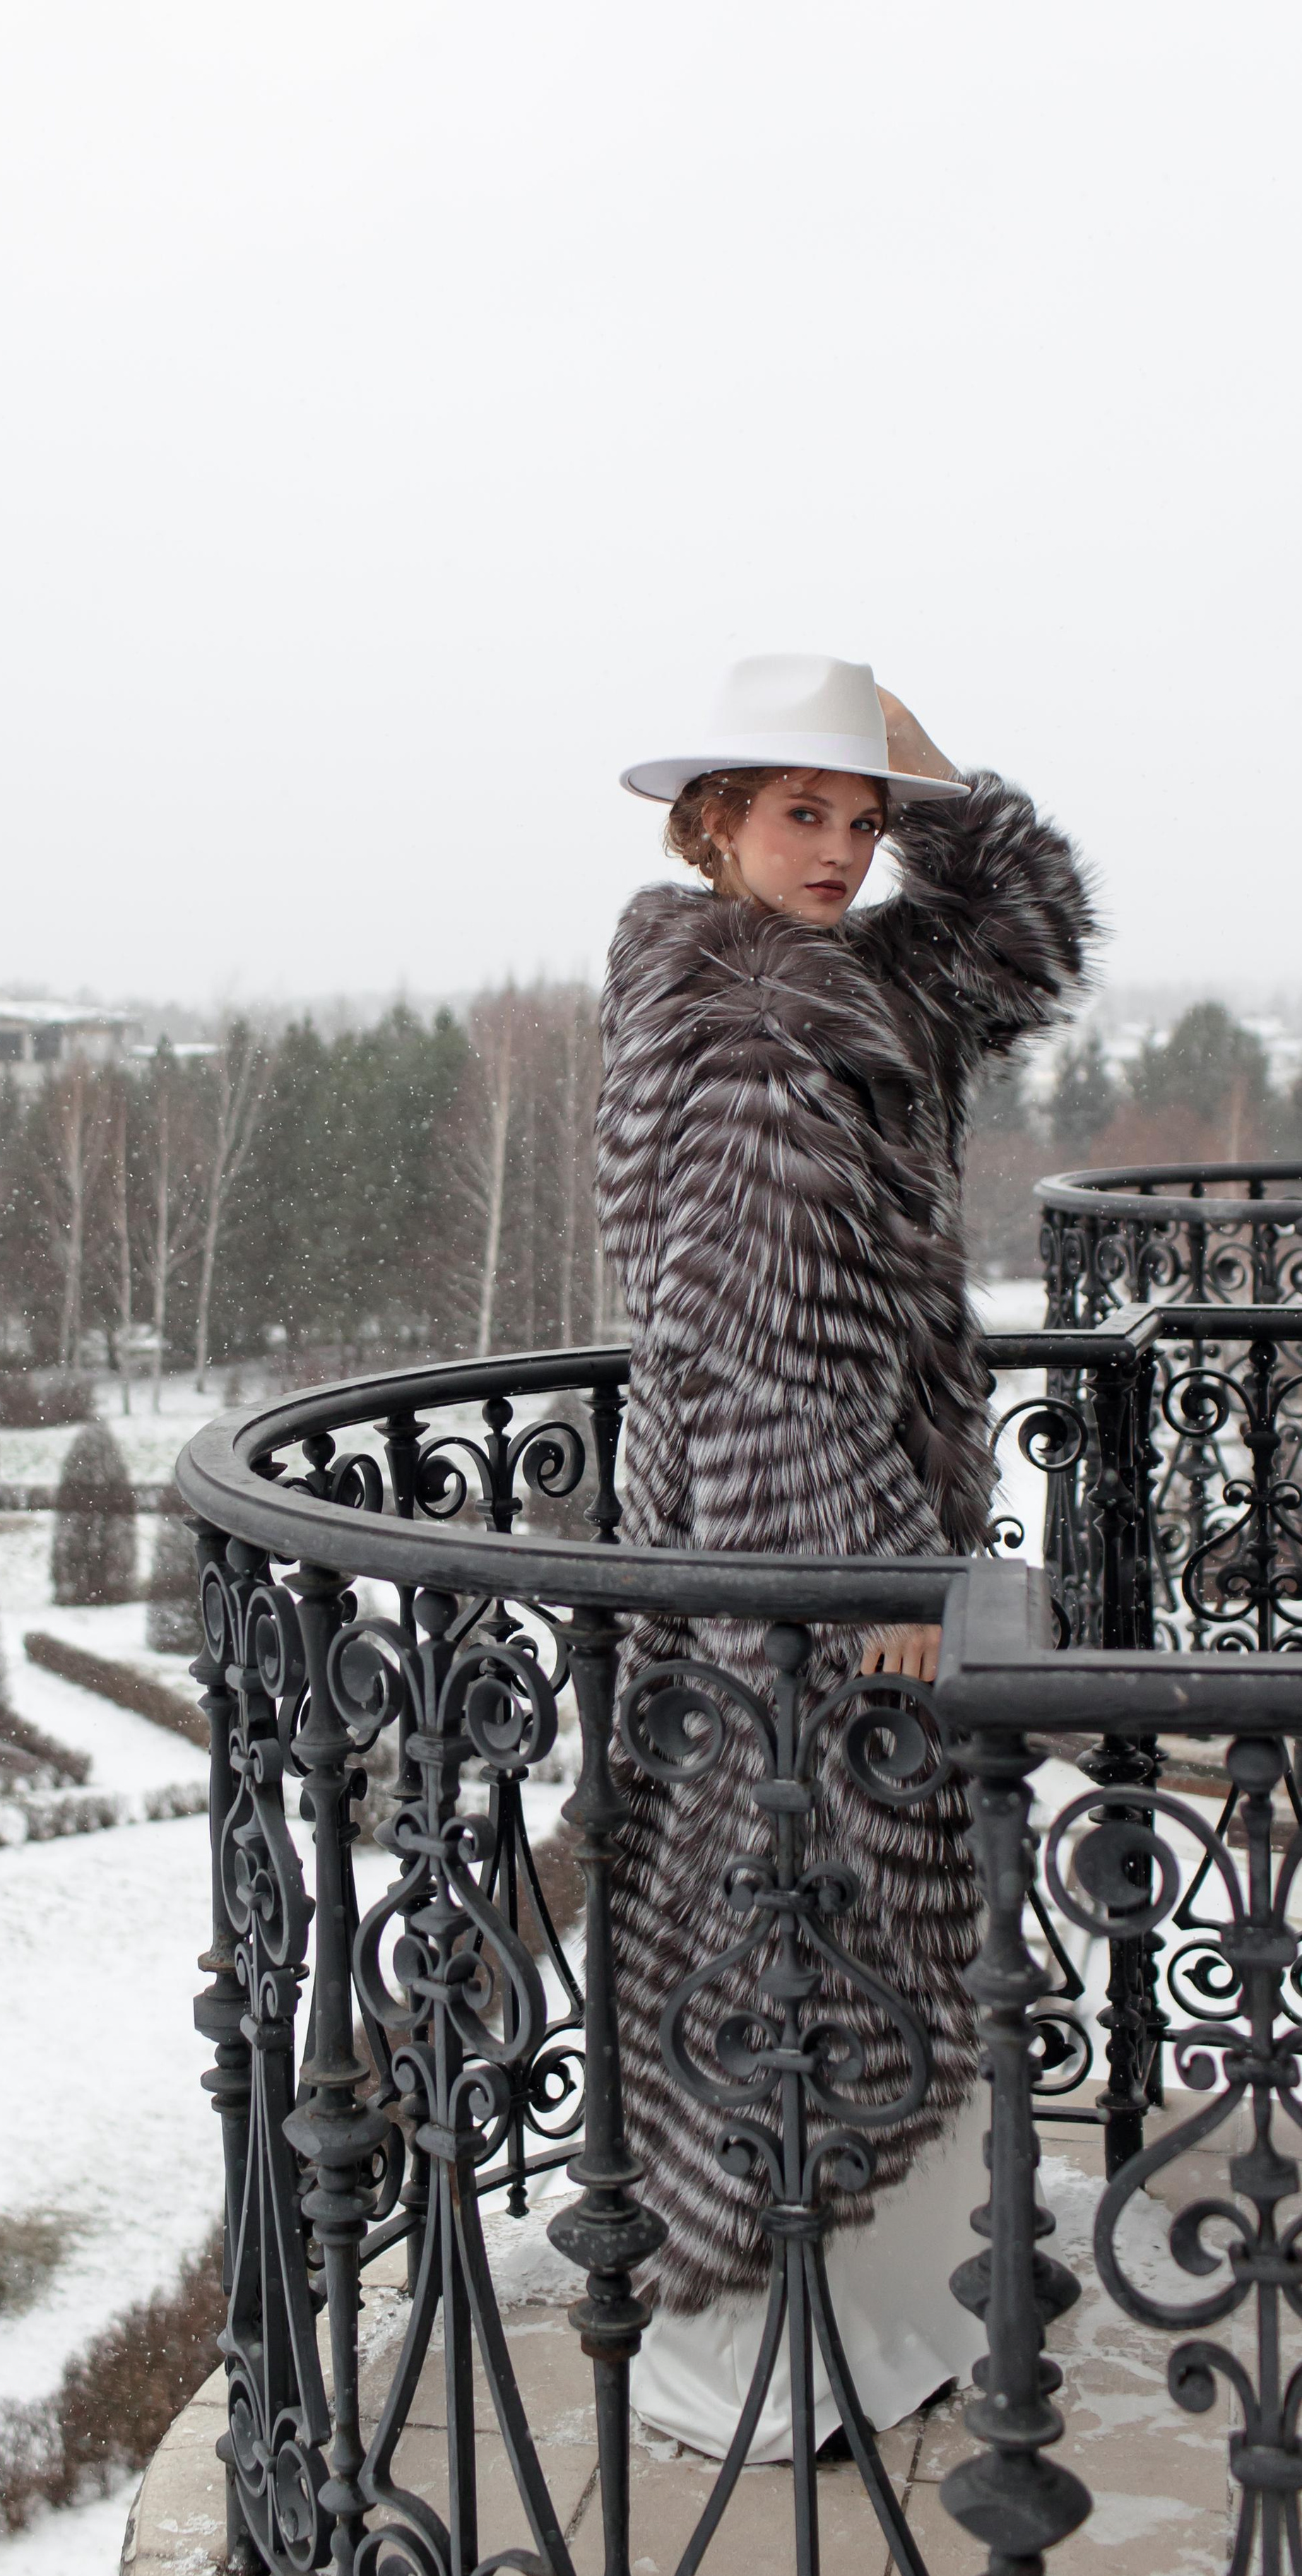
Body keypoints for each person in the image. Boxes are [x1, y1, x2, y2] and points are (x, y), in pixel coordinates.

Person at [594, 653, 1096, 2460]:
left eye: (859, 822)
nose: (838, 848)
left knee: (832, 1930)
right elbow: (761, 1355)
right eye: (798, 812)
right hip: (790, 1552)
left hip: (847, 1528)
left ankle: (881, 2325)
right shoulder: (743, 1019)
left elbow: (1023, 939)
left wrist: (930, 776)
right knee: (794, 1928)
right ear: (711, 821)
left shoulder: (838, 983)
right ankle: (787, 2348)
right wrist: (878, 1592)